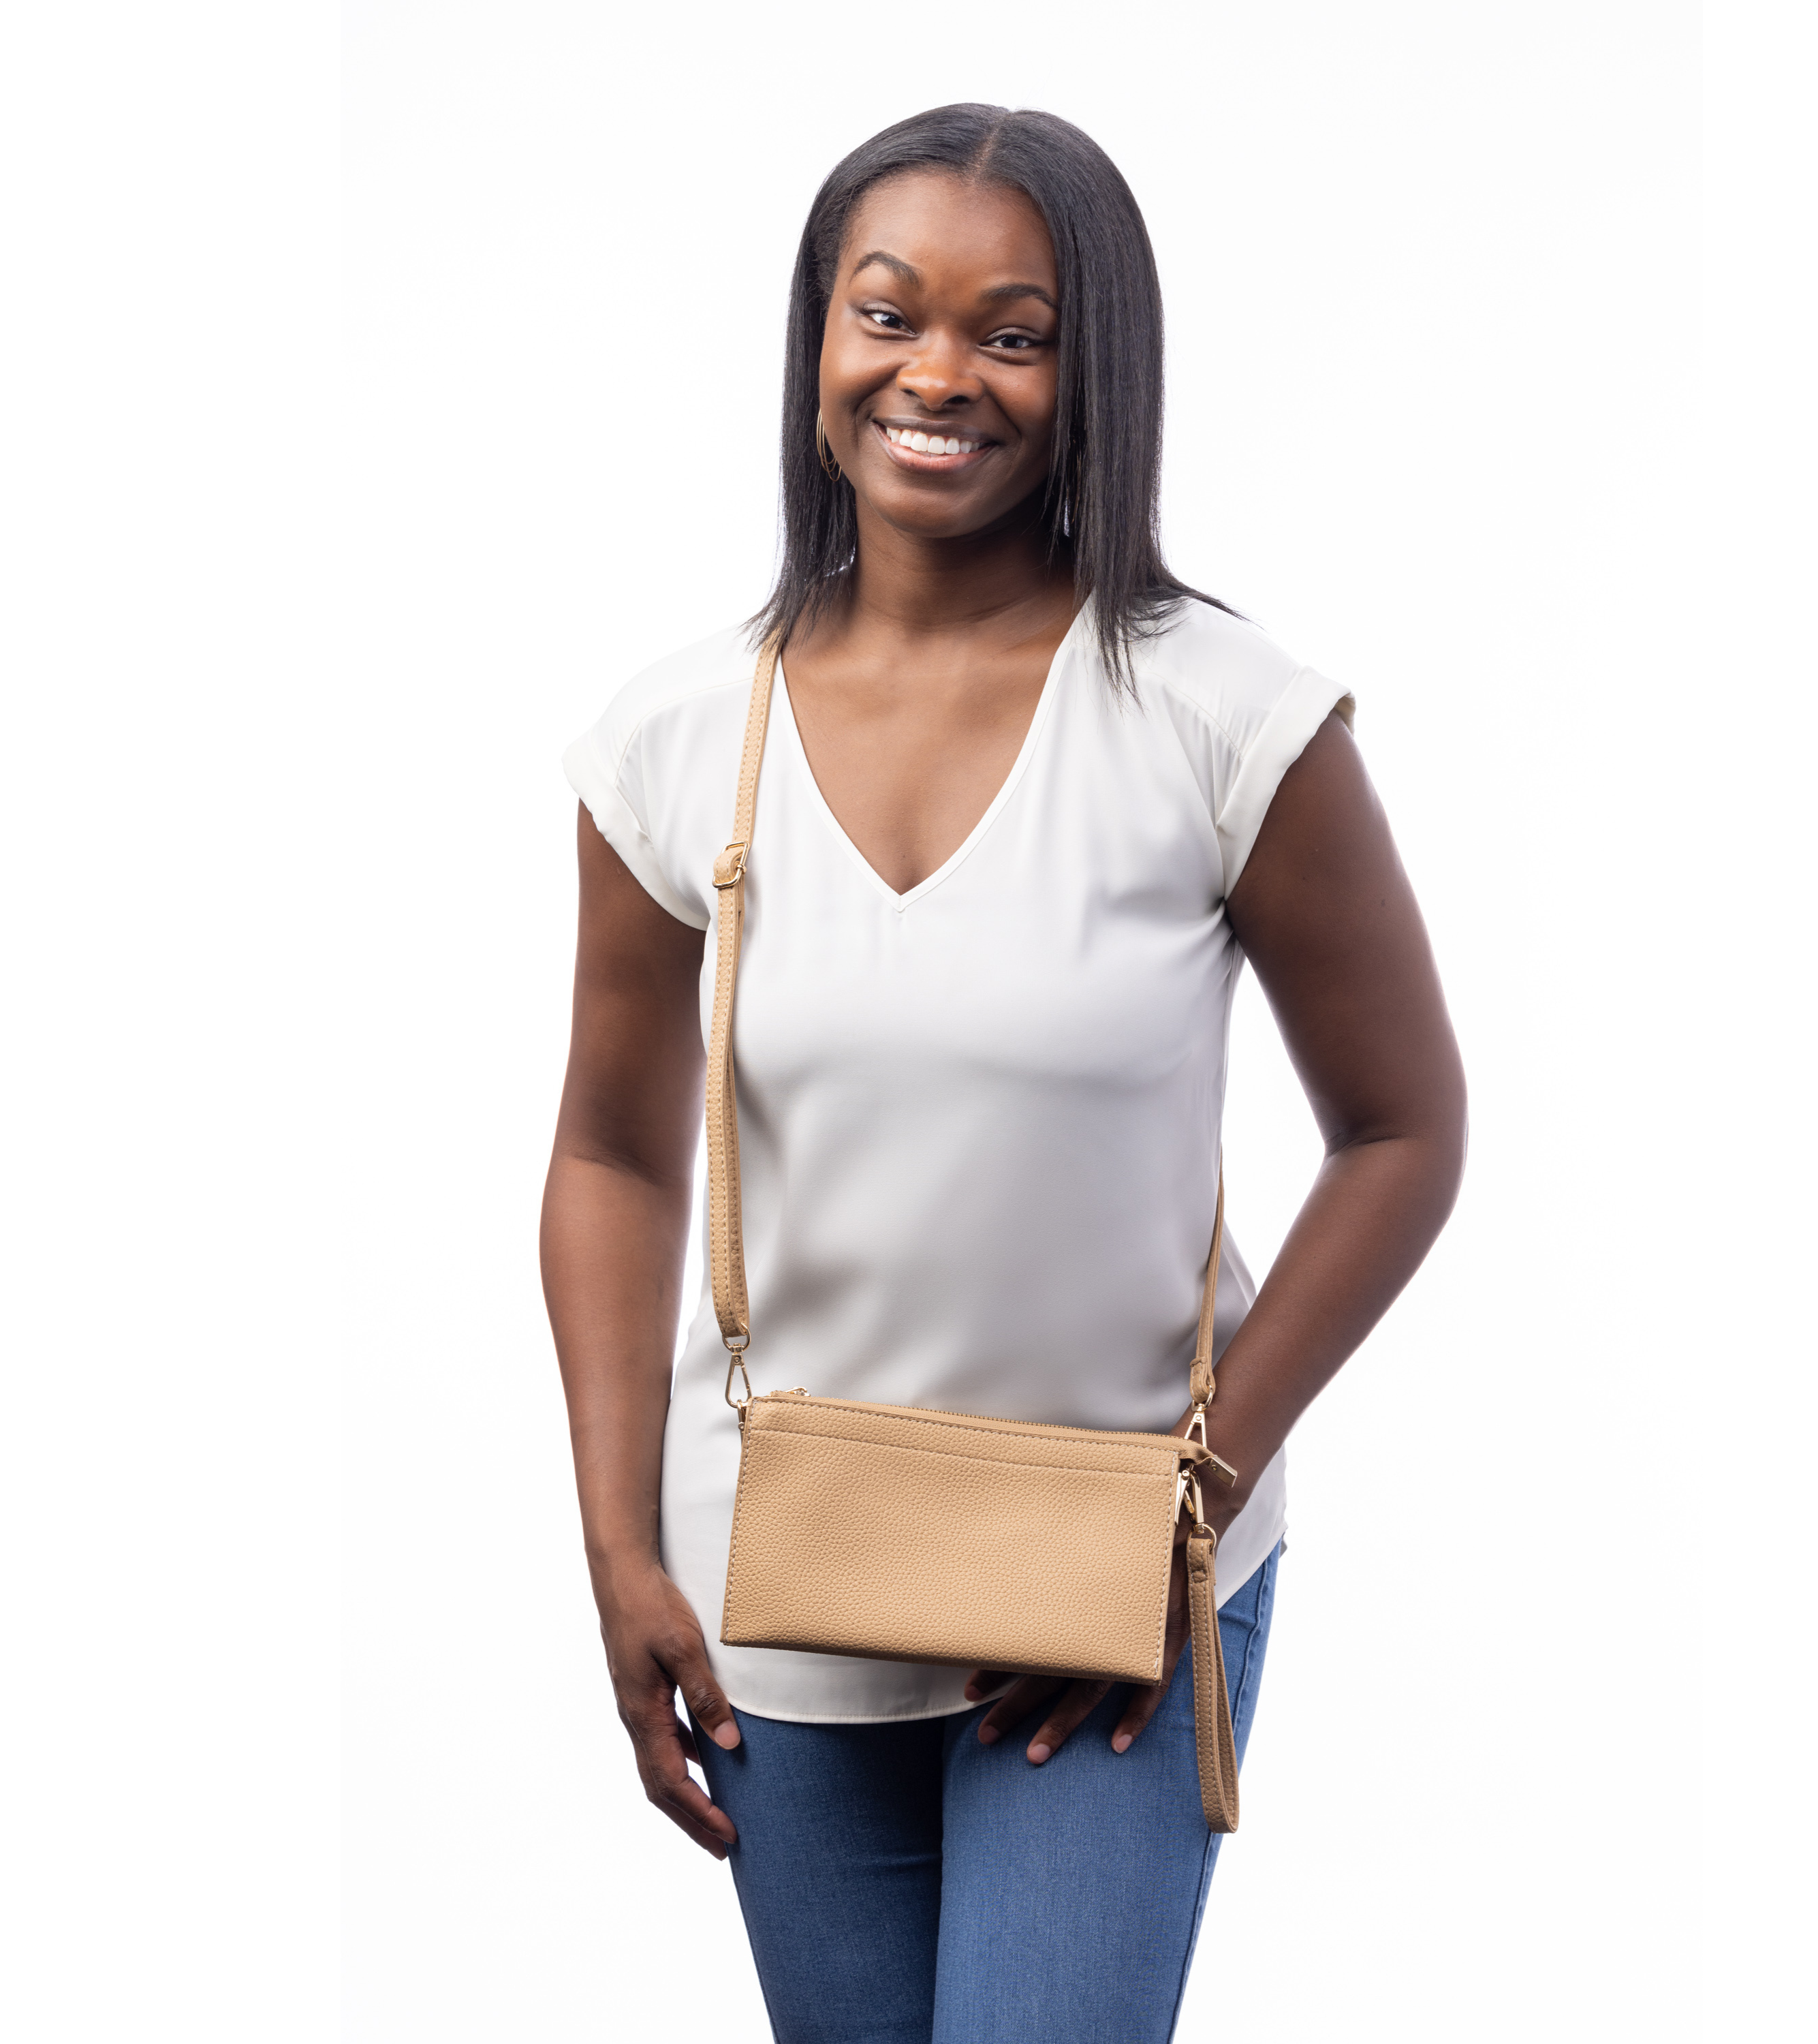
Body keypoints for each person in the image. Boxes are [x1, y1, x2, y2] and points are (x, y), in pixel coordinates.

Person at [541, 102, 1467, 2044]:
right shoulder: (675, 740)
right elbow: (613, 1154)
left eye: (1013, 332)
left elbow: (1403, 1129)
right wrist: (621, 1547)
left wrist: (1178, 1521)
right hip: (778, 1580)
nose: (937, 373)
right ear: (818, 341)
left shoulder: (1222, 718)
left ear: (1095, 368)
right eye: (888, 313)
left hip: (1122, 1572)